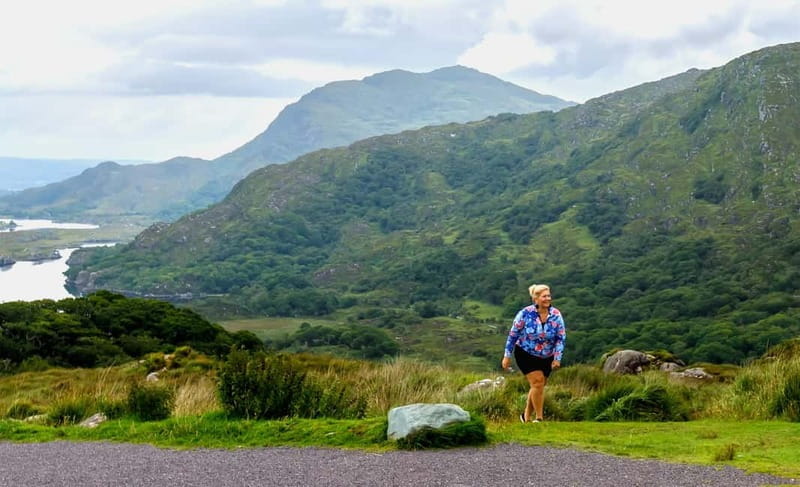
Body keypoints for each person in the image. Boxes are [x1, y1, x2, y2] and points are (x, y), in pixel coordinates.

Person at [501, 284, 566, 423]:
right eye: (544, 296)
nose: (548, 299)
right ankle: (539, 418)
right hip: (526, 354)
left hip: (546, 356)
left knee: (538, 386)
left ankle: (525, 417)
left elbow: (560, 338)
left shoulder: (556, 315)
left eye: (549, 296)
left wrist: (557, 358)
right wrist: (507, 355)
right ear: (536, 299)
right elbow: (513, 335)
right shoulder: (525, 313)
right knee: (537, 383)